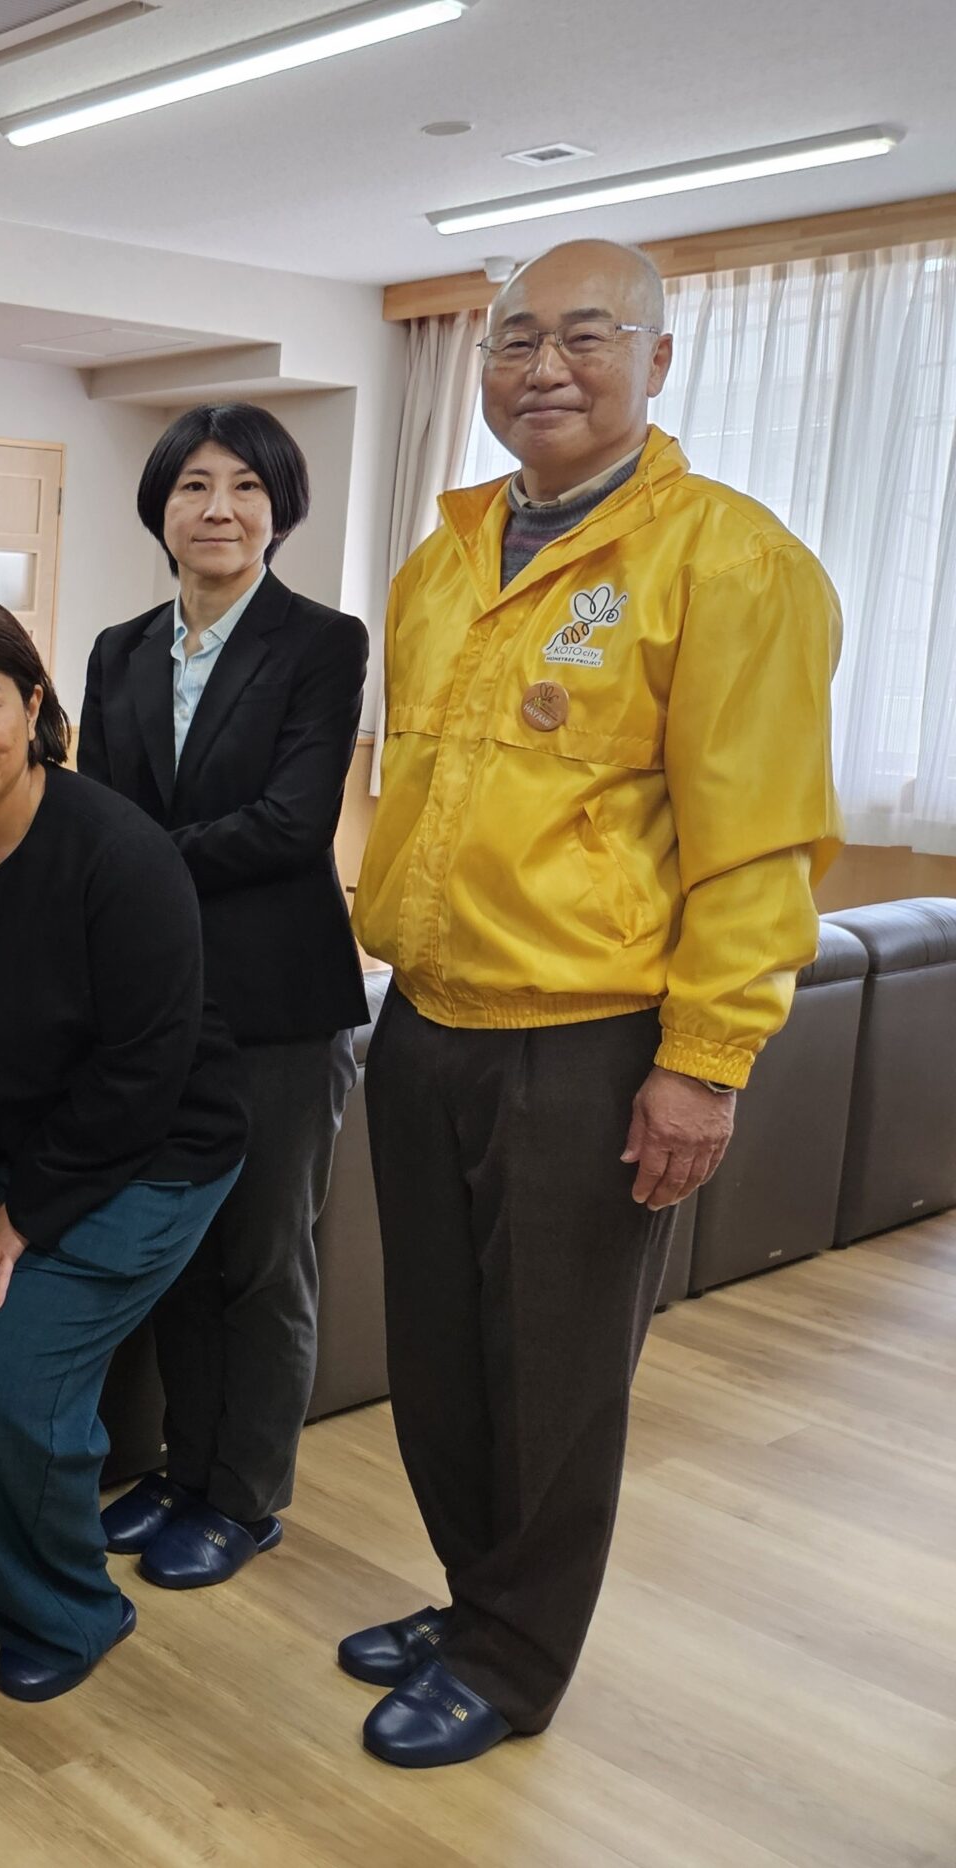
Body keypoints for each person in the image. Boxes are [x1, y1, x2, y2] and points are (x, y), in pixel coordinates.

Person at [347, 239, 841, 1766]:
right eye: (515, 341)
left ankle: (515, 1658)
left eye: (586, 337)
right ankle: (473, 1599)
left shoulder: (729, 562)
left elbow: (756, 849)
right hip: (426, 1020)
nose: (544, 369)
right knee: (441, 1354)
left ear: (658, 361)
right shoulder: (443, 560)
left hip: (591, 1042)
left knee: (553, 1372)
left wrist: (705, 1063)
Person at [0, 593, 245, 1703]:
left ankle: (69, 1608)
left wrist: (20, 1212)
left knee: (2, 1374)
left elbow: (141, 1075)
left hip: (151, 1150)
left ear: (32, 706)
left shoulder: (118, 853)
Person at [83, 404, 369, 1590]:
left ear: (279, 509)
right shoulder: (118, 649)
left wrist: (131, 866)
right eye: (193, 484)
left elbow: (293, 823)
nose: (218, 508)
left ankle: (243, 1497)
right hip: (156, 1000)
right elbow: (95, 804)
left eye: (246, 486)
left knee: (260, 1256)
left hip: (278, 1002)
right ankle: (179, 1469)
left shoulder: (322, 642)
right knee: (178, 1247)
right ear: (158, 506)